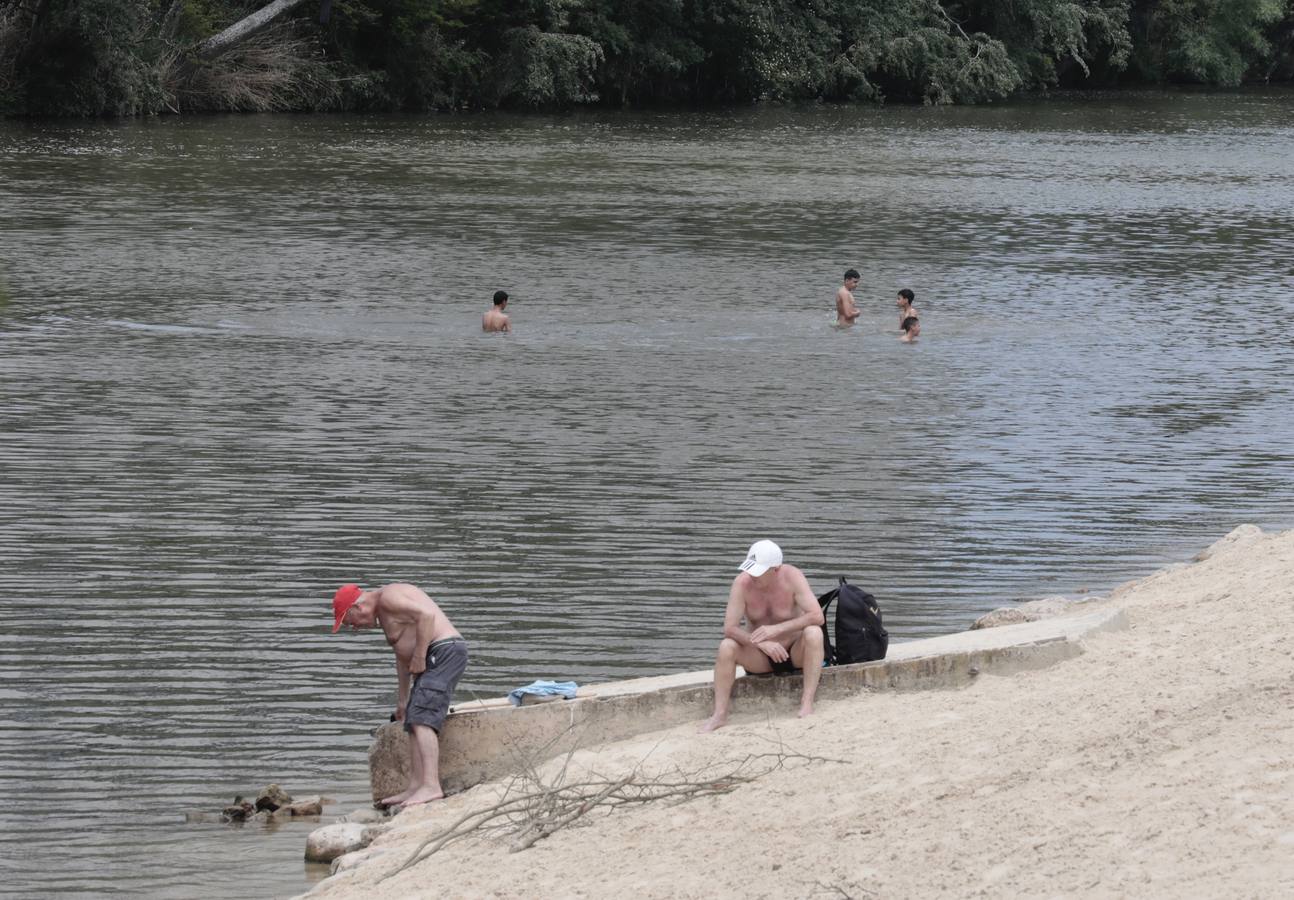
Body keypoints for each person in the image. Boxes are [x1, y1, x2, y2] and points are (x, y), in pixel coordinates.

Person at [332, 582, 468, 808]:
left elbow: (427, 616)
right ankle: (415, 786)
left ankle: (431, 786)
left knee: (423, 718)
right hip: (432, 654)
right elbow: (401, 655)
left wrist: (420, 656)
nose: (354, 628)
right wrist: (402, 700)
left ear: (357, 607)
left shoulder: (388, 598)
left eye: (349, 622)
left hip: (443, 650)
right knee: (412, 719)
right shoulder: (385, 614)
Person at [698, 540, 826, 733]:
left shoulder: (792, 576)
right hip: (760, 657)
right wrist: (762, 644)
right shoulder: (742, 583)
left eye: (758, 571)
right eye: (750, 568)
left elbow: (817, 616)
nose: (751, 574)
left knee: (814, 633)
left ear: (775, 569)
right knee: (727, 646)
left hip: (794, 651)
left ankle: (806, 703)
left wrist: (778, 629)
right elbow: (730, 628)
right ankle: (720, 714)